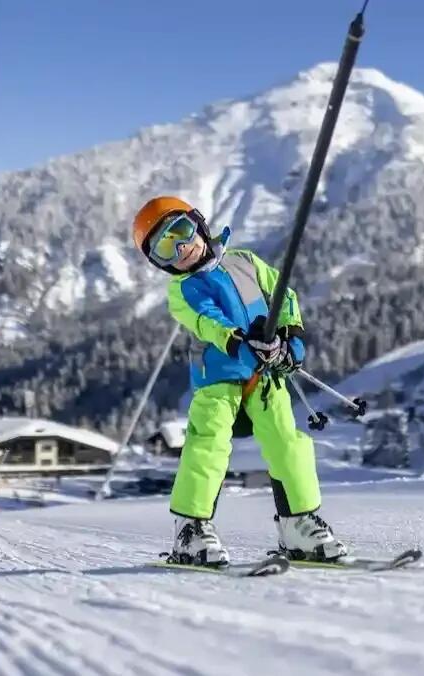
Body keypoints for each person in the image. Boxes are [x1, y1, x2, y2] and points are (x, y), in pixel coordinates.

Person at [131, 196, 348, 567]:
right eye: (166, 248)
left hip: (266, 375)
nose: (182, 248)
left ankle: (298, 525)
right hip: (218, 379)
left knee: (287, 442)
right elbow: (207, 321)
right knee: (208, 446)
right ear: (160, 264)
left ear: (198, 223)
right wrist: (238, 342)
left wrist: (290, 337)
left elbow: (284, 296)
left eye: (181, 231)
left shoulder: (245, 262)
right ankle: (192, 529)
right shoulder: (184, 289)